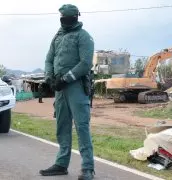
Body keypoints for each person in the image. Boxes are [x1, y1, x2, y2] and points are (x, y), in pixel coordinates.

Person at [40, 4, 95, 180]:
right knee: (62, 126)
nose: (63, 19)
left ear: (75, 17)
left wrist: (66, 78)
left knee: (82, 126)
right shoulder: (57, 36)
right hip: (59, 88)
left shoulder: (83, 36)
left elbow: (85, 63)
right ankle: (61, 164)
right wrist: (50, 77)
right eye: (61, 17)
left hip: (76, 87)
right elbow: (49, 58)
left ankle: (88, 168)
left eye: (65, 17)